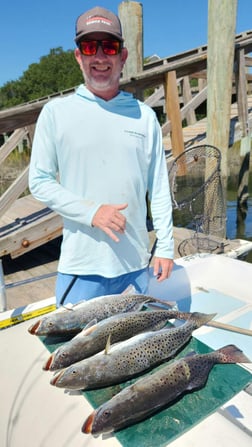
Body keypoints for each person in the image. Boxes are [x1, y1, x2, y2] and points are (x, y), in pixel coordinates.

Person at [29, 6, 174, 307]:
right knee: (75, 354)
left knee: (136, 353)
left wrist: (166, 247)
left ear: (122, 56)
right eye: (89, 46)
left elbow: (158, 187)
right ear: (78, 56)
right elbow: (39, 182)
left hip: (136, 267)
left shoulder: (145, 117)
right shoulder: (56, 113)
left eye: (109, 46)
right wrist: (92, 212)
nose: (99, 56)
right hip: (81, 269)